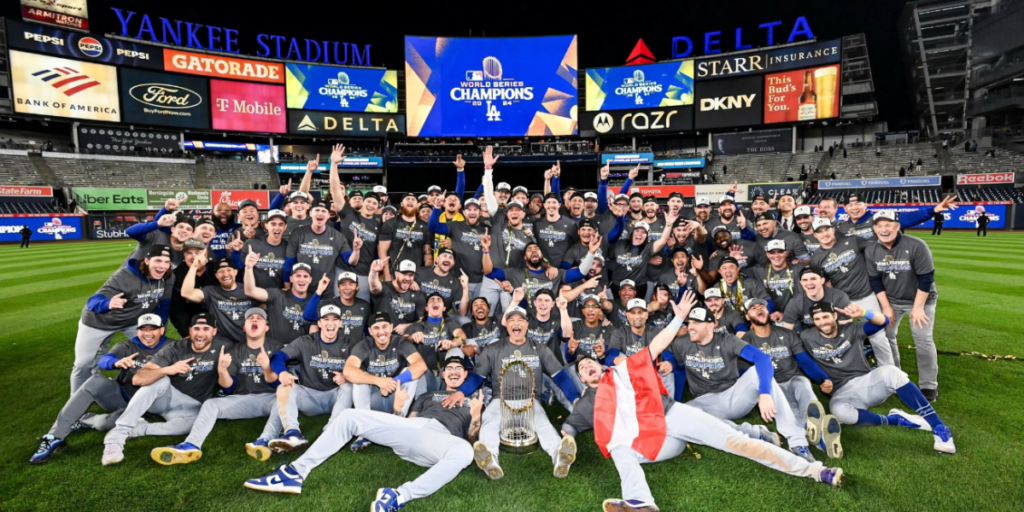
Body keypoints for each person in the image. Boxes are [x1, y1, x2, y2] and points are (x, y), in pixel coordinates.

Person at [563, 293, 842, 511]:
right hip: (654, 441)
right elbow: (570, 426)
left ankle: (815, 470)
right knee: (620, 451)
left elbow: (657, 346)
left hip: (671, 416)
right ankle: (640, 503)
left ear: (601, 367)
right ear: (585, 381)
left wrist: (678, 318)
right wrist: (566, 441)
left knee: (737, 444)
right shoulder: (589, 401)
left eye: (590, 362)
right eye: (582, 368)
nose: (587, 365)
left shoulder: (621, 370)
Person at [243, 352, 482, 512]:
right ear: (443, 374)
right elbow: (406, 424)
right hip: (412, 432)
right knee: (349, 416)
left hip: (441, 440)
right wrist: (398, 408)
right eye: (449, 367)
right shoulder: (428, 396)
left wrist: (475, 417)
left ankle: (397, 496)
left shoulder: (472, 400)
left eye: (458, 369)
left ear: (465, 376)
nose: (453, 371)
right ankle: (295, 472)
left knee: (464, 451)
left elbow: (471, 438)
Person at [670, 300, 816, 462]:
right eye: (689, 323)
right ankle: (754, 433)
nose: (690, 327)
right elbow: (678, 369)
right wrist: (671, 379)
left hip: (734, 397)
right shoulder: (681, 343)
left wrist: (764, 393)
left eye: (696, 323)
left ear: (711, 325)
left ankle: (797, 442)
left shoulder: (727, 340)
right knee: (680, 413)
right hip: (704, 401)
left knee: (756, 373)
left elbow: (762, 358)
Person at [800, 301, 955, 454]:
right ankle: (896, 419)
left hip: (868, 383)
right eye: (817, 319)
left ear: (834, 315)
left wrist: (863, 313)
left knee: (892, 372)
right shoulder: (807, 337)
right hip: (841, 392)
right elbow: (802, 359)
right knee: (839, 412)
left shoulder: (851, 329)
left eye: (826, 317)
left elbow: (884, 322)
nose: (822, 322)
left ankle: (939, 428)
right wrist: (821, 380)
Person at [31, 315, 170, 464]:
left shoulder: (174, 346)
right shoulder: (127, 346)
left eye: (153, 329)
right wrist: (116, 362)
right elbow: (104, 360)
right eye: (143, 329)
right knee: (95, 382)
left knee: (105, 425)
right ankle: (54, 437)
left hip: (148, 405)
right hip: (121, 396)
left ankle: (85, 420)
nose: (147, 333)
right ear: (137, 331)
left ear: (162, 330)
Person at [149, 308, 282, 465]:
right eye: (250, 318)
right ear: (244, 327)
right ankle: (191, 445)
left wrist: (267, 367)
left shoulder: (277, 347)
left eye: (259, 318)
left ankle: (264, 441)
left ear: (266, 327)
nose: (254, 320)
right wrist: (222, 370)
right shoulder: (234, 350)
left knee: (284, 400)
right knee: (211, 404)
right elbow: (228, 388)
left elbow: (279, 383)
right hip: (244, 399)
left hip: (271, 398)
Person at [100, 313, 233, 465]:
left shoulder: (224, 347)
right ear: (190, 331)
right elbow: (138, 379)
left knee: (195, 425)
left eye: (206, 329)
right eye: (196, 328)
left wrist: (222, 370)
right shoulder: (175, 348)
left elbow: (229, 387)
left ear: (214, 332)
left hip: (191, 406)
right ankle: (117, 437)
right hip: (167, 398)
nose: (200, 333)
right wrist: (168, 370)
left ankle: (138, 429)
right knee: (159, 379)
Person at [467, 306, 579, 480]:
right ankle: (490, 460)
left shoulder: (540, 348)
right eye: (512, 320)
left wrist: (574, 398)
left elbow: (561, 376)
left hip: (530, 400)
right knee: (489, 422)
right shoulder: (494, 348)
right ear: (507, 325)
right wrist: (459, 392)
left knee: (543, 424)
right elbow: (476, 377)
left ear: (527, 325)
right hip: (501, 400)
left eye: (520, 320)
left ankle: (559, 456)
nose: (516, 323)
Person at [250, 302, 360, 459]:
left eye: (335, 319)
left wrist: (346, 374)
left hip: (335, 397)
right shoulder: (305, 341)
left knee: (349, 386)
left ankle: (331, 430)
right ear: (319, 323)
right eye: (326, 319)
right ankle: (292, 433)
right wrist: (281, 373)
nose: (330, 323)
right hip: (310, 397)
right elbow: (278, 357)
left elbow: (363, 365)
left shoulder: (350, 343)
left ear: (340, 323)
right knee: (284, 387)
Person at [72, 245, 174, 395]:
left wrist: (158, 325)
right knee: (83, 363)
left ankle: (144, 389)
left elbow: (164, 303)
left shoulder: (168, 276)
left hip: (132, 322)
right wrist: (108, 304)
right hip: (98, 322)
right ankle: (75, 399)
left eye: (166, 262)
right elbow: (93, 301)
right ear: (146, 260)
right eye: (158, 261)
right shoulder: (125, 276)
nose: (162, 266)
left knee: (152, 351)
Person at [864, 212, 940, 401]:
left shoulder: (916, 245)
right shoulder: (871, 250)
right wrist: (887, 307)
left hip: (921, 300)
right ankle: (897, 376)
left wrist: (918, 308)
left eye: (888, 225)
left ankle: (928, 385)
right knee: (887, 336)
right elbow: (875, 281)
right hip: (893, 300)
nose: (884, 229)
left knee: (922, 339)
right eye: (879, 226)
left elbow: (926, 278)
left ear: (897, 226)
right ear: (874, 229)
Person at [810, 217, 895, 366]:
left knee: (878, 336)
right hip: (843, 302)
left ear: (833, 229)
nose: (824, 234)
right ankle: (851, 370)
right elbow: (826, 283)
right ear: (815, 235)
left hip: (865, 296)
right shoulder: (816, 258)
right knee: (843, 339)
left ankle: (889, 372)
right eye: (819, 231)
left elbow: (877, 246)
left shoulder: (853, 240)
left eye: (827, 229)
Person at [284, 197, 358, 298]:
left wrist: (356, 250)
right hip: (301, 290)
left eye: (324, 211)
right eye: (317, 210)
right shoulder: (298, 233)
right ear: (310, 213)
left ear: (328, 215)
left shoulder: (337, 236)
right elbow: (289, 262)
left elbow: (351, 262)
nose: (320, 213)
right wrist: (287, 287)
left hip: (326, 291)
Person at [181, 255, 254, 345]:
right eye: (221, 271)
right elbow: (186, 293)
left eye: (229, 270)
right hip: (222, 343)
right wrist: (194, 267)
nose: (226, 274)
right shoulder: (211, 292)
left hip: (248, 341)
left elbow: (264, 305)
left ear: (235, 272)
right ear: (216, 275)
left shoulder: (248, 290)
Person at [404, 293, 467, 393]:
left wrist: (452, 343)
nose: (435, 301)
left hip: (445, 372)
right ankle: (421, 404)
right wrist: (412, 337)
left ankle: (453, 394)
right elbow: (402, 341)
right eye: (432, 299)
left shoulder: (450, 323)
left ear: (444, 308)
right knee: (415, 365)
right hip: (426, 373)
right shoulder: (417, 326)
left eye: (439, 299)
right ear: (426, 308)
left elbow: (461, 336)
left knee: (456, 350)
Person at [378, 192, 433, 282]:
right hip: (394, 275)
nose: (410, 200)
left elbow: (427, 255)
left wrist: (427, 276)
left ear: (417, 204)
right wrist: (387, 276)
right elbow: (382, 251)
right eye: (407, 199)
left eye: (413, 199)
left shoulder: (425, 227)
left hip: (416, 277)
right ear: (402, 204)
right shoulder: (391, 223)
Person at [782, 266, 852, 331]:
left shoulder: (839, 297)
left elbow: (847, 325)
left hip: (835, 332)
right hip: (810, 338)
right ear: (801, 283)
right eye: (805, 280)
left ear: (822, 280)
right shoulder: (795, 302)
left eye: (813, 279)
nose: (809, 283)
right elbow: (787, 330)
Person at [233, 209, 289, 291]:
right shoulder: (252, 244)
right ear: (266, 225)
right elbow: (238, 267)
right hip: (254, 296)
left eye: (281, 224)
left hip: (279, 297)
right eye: (273, 224)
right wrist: (236, 252)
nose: (277, 228)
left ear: (285, 227)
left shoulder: (289, 247)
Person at [748, 240, 805, 319]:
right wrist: (736, 260)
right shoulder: (759, 270)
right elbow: (734, 272)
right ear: (767, 255)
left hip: (793, 316)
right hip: (768, 316)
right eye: (772, 253)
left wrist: (786, 314)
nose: (776, 256)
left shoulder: (798, 268)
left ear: (786, 253)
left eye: (780, 252)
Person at [370, 258, 426, 334]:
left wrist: (407, 326)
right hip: (383, 336)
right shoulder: (385, 288)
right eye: (404, 274)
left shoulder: (417, 294)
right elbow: (374, 287)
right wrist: (374, 271)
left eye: (410, 275)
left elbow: (422, 320)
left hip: (405, 339)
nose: (407, 278)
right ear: (396, 274)